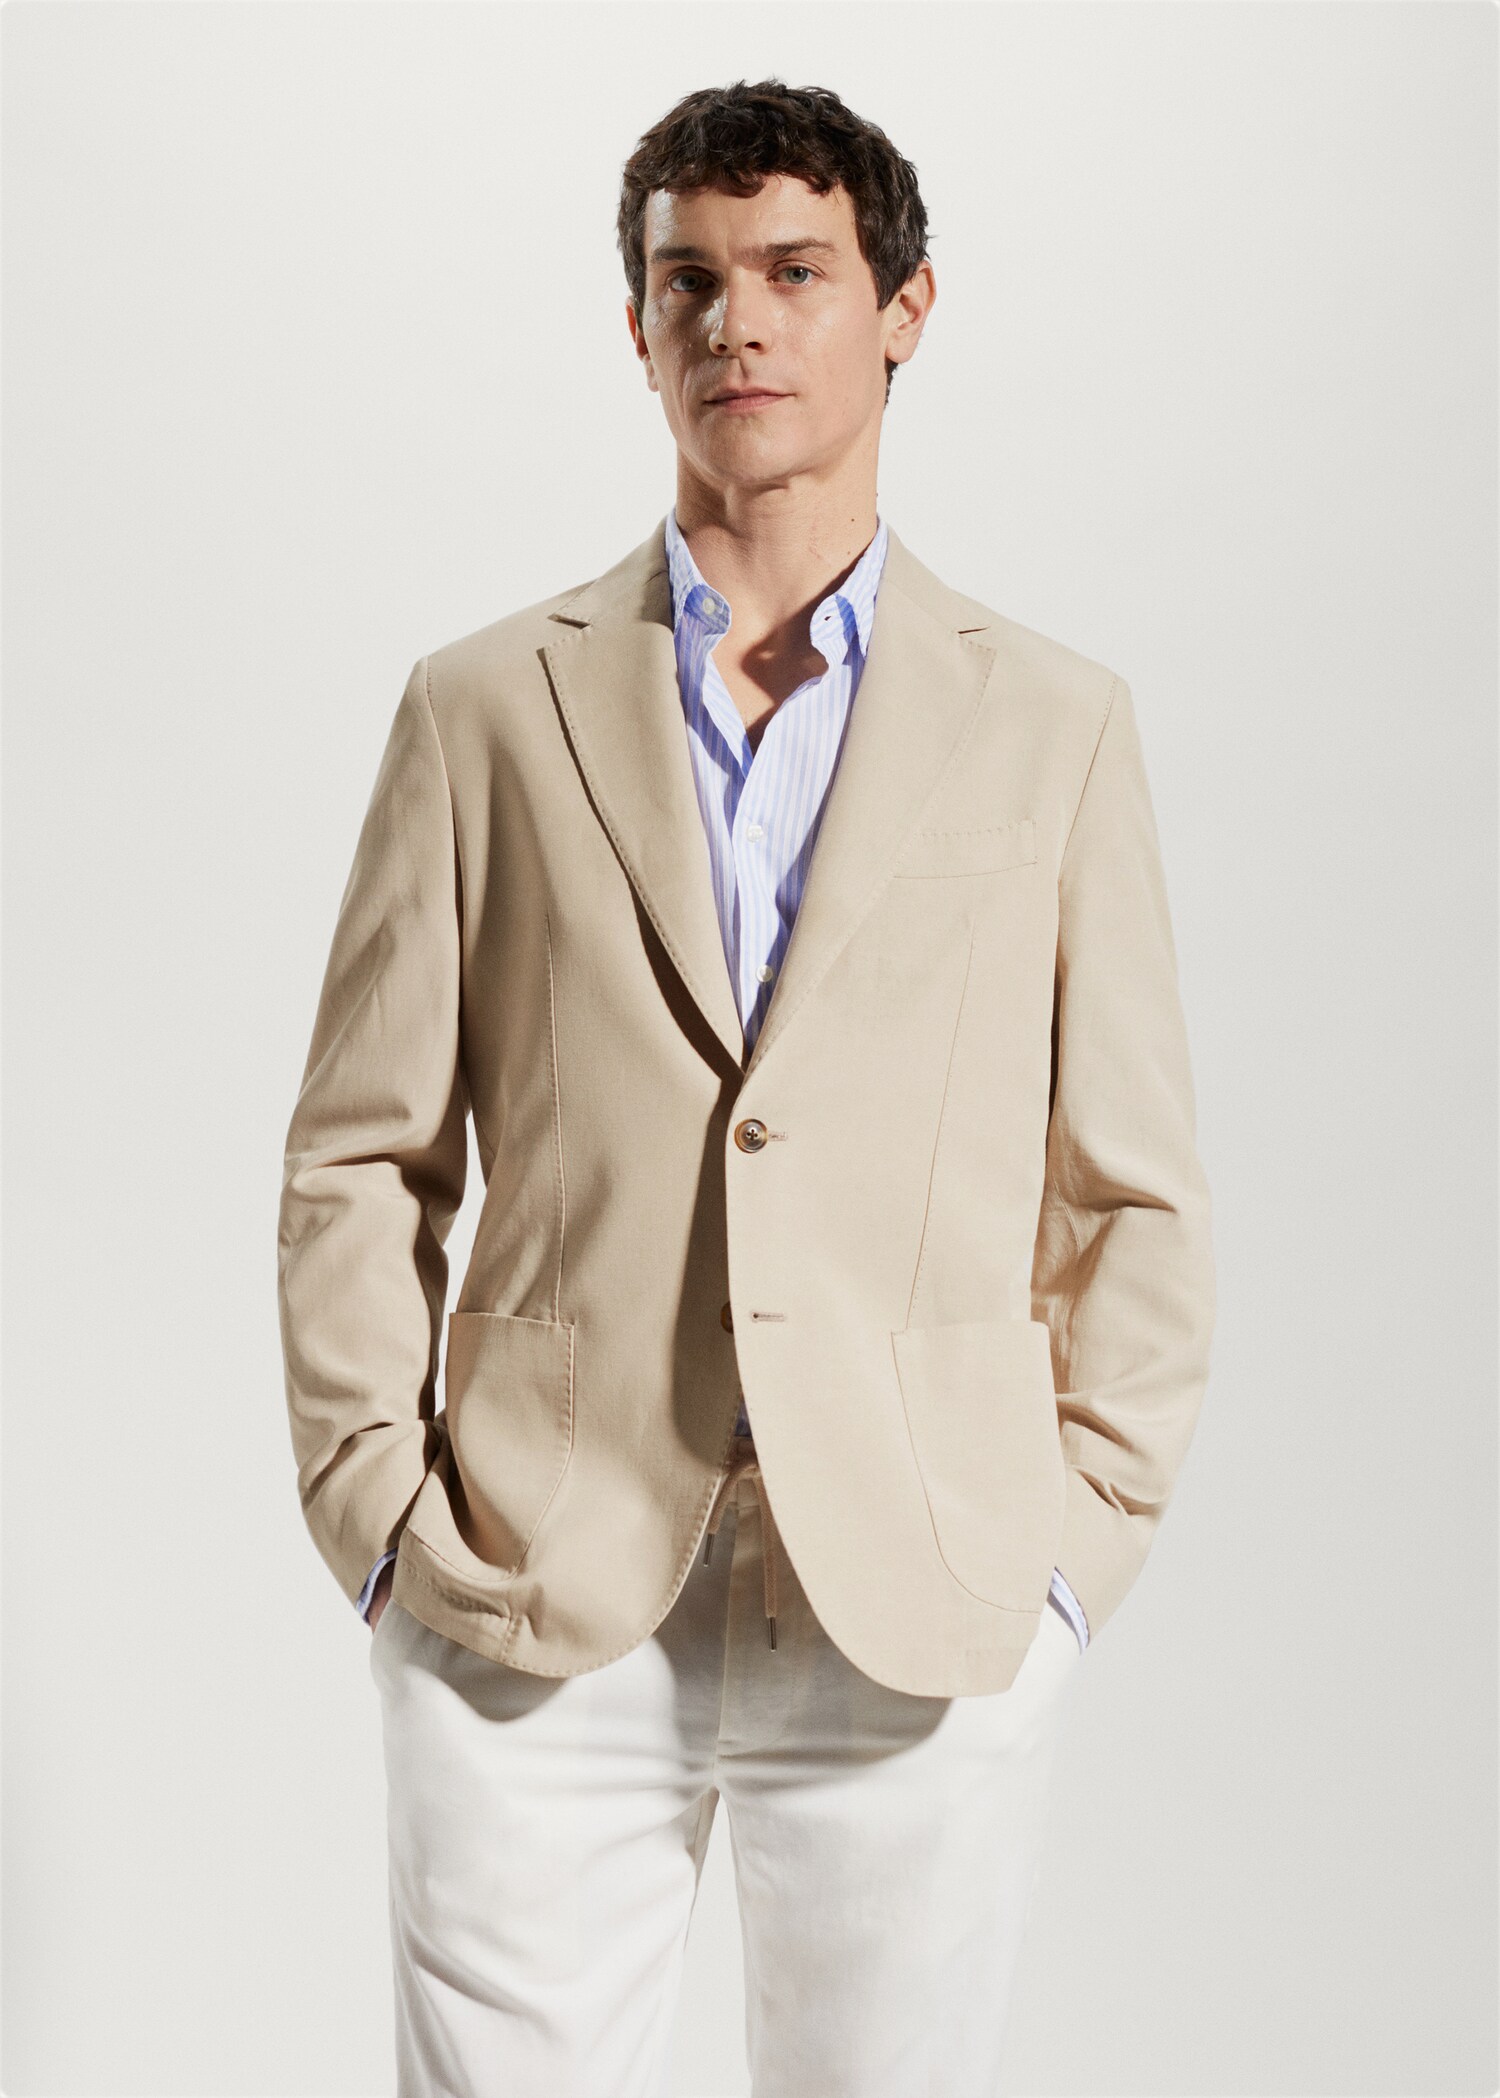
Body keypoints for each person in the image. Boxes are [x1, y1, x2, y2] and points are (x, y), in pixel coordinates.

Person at [277, 75, 1216, 2098]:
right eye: (688, 280)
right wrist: (379, 1525)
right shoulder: (483, 706)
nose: (737, 323)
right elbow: (360, 1150)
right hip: (533, 1590)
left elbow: (1130, 1187)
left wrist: (1071, 1557)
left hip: (919, 1600)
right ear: (638, 328)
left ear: (906, 307)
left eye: (795, 271)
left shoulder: (1054, 724)